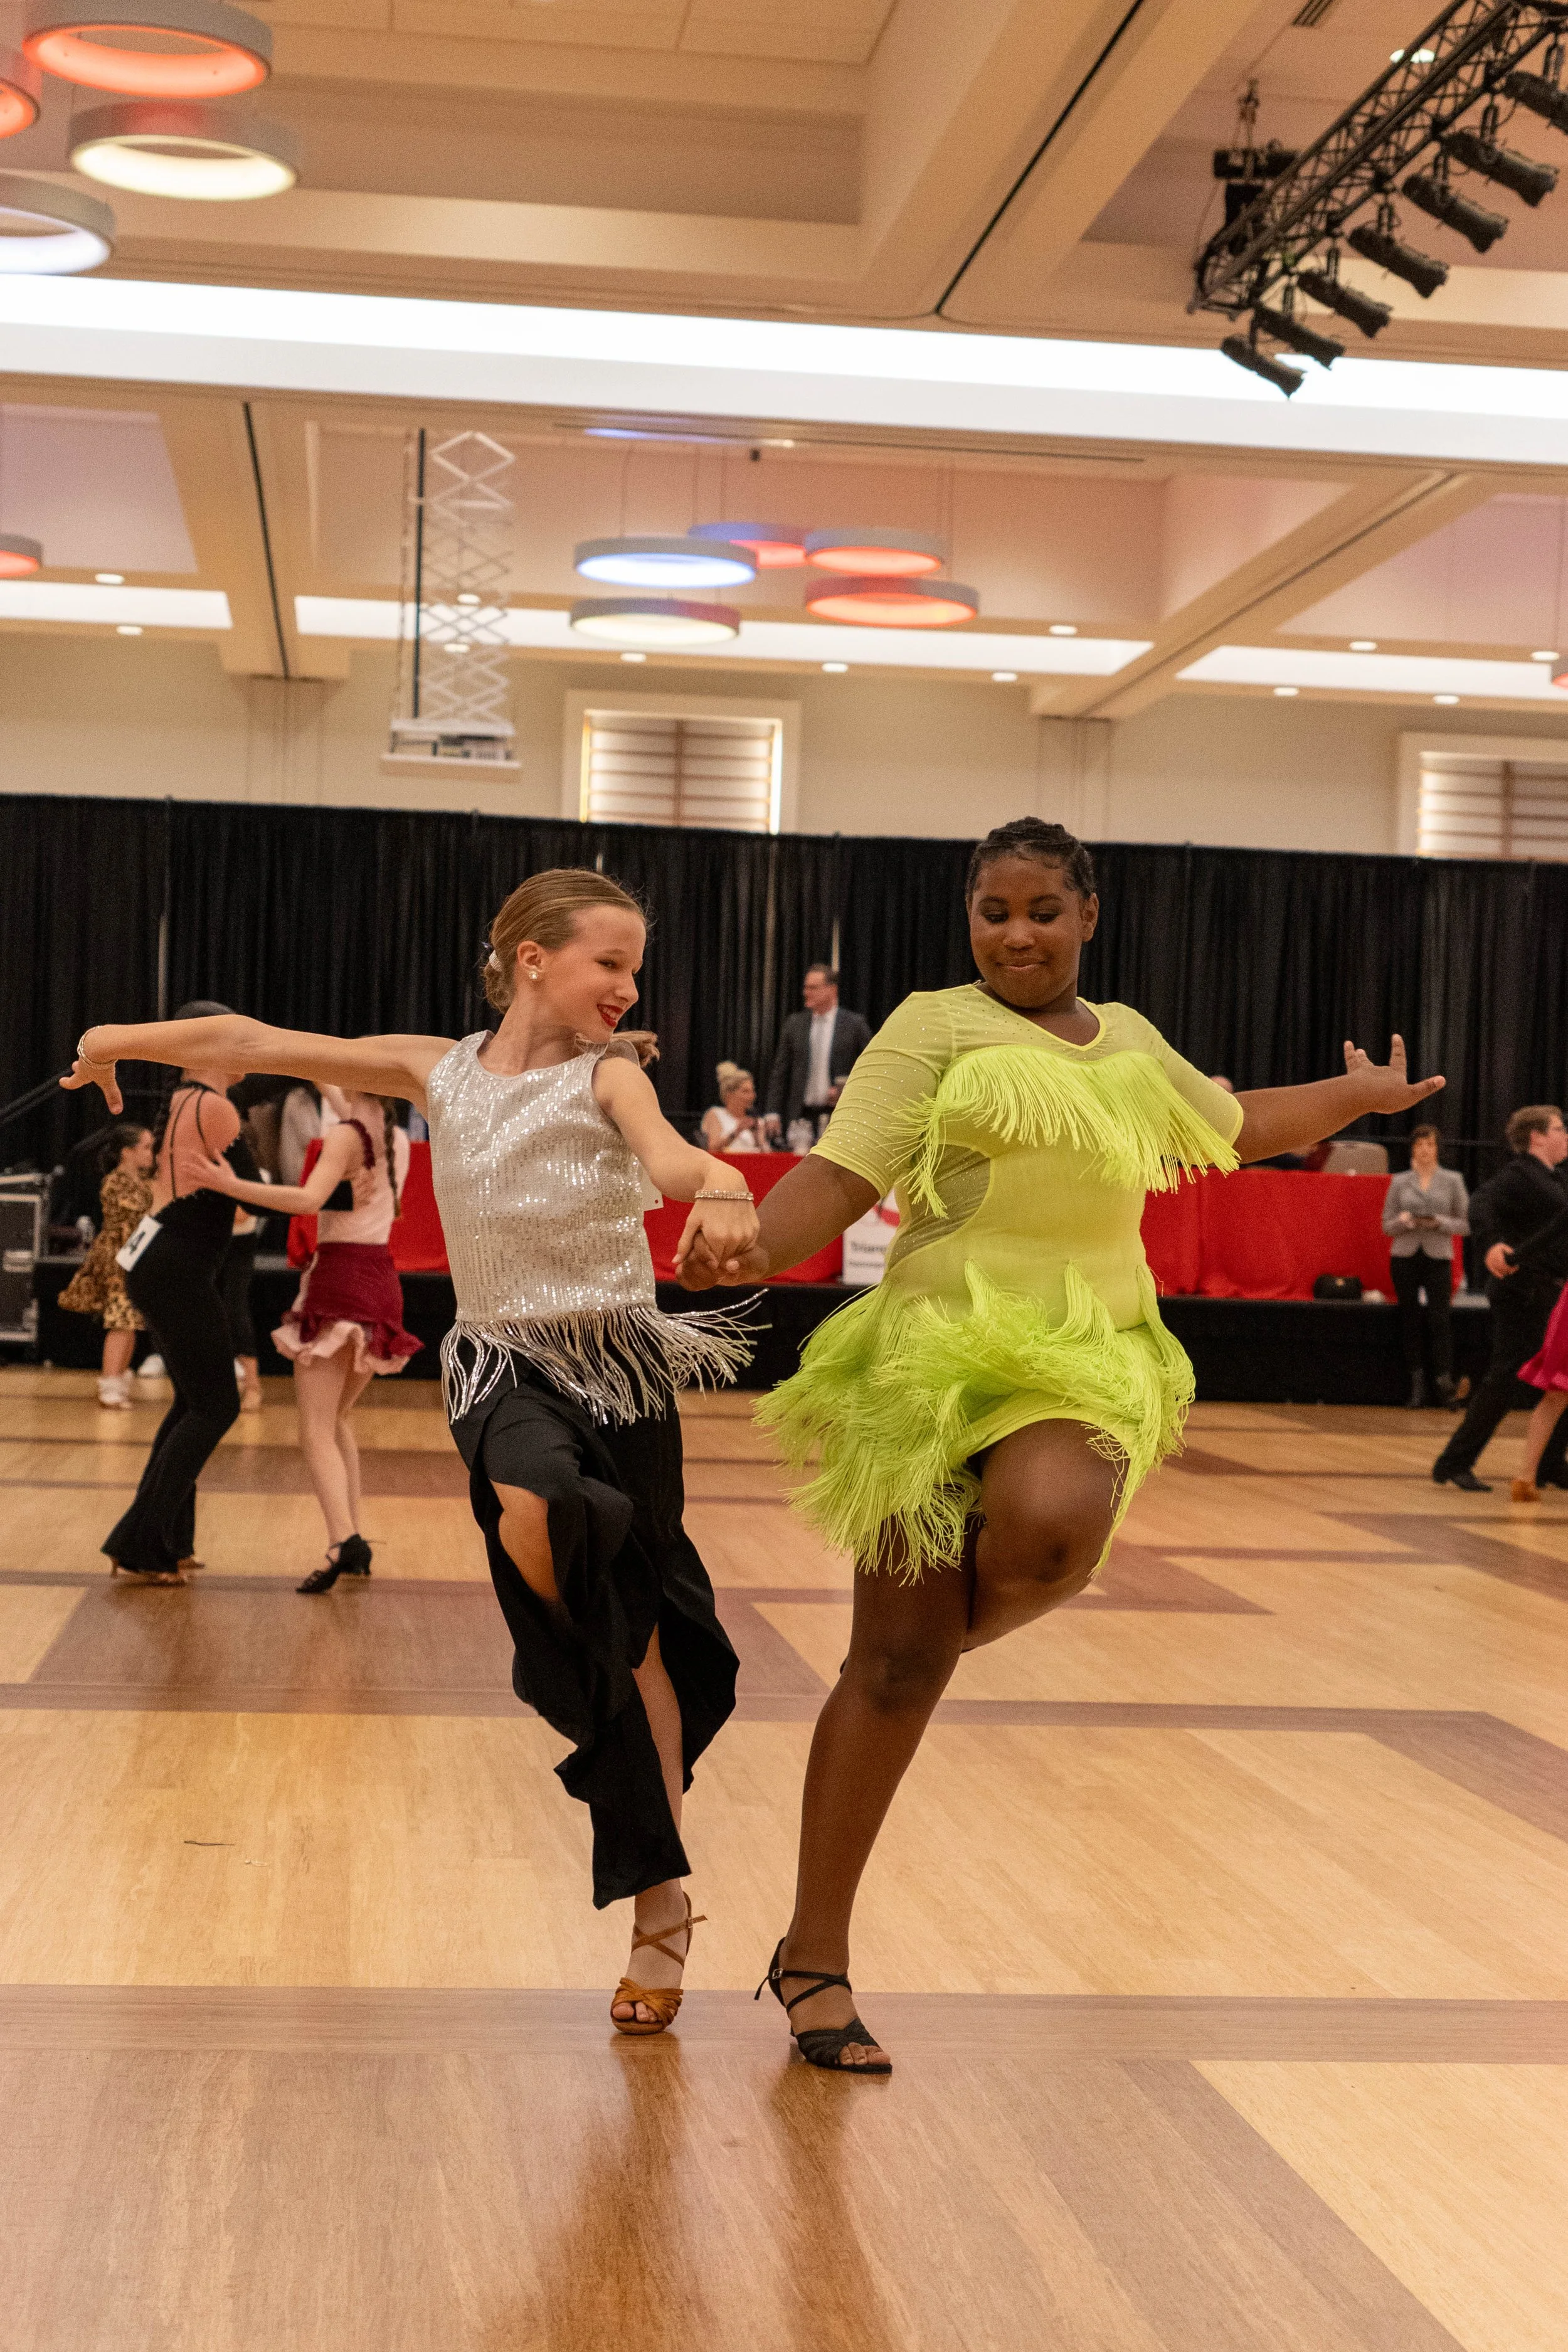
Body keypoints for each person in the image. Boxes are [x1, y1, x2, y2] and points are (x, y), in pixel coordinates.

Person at [682, 814, 1443, 2074]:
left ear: (1088, 915)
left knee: (1048, 1532)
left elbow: (1231, 1124)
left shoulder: (1130, 1038)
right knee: (892, 1671)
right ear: (969, 921)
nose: (1018, 934)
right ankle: (814, 1953)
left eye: (1043, 910)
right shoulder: (930, 1026)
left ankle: (903, 1661)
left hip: (1082, 1347)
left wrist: (1355, 1099)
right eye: (995, 912)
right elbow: (844, 1171)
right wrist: (750, 1244)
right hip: (926, 1358)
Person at [63, 868, 760, 2037]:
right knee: (540, 1502)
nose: (628, 989)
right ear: (532, 957)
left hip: (622, 1372)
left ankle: (660, 1899)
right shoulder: (439, 1069)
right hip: (505, 1367)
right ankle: (600, 1700)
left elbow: (673, 1156)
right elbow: (252, 1040)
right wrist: (111, 1040)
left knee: (635, 1637)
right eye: (610, 963)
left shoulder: (611, 1074)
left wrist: (725, 1179)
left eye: (635, 968)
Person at [195, 1086, 420, 1591]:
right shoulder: (395, 1137)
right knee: (338, 1419)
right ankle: (353, 1536)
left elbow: (307, 1200)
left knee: (316, 1428)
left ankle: (342, 1542)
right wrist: (321, 1078)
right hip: (381, 1280)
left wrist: (228, 1184)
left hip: (340, 1278)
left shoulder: (345, 1136)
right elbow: (352, 1109)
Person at [83, 1002, 262, 1584]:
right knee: (216, 1407)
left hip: (163, 1262)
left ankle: (168, 1543)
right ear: (208, 1047)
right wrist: (337, 1196)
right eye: (234, 1038)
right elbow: (253, 1195)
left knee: (193, 1403)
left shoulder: (186, 1101)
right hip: (175, 1268)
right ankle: (140, 1542)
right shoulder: (213, 1106)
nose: (246, 1048)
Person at [1431, 1104, 1568, 1493]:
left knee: (1561, 1383)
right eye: (1559, 1129)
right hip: (1523, 1292)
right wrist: (1492, 1243)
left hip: (1552, 1293)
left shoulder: (1555, 1178)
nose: (1566, 1136)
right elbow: (1480, 1204)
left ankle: (1549, 1464)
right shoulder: (1518, 1175)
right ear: (1536, 1137)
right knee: (1505, 1379)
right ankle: (1454, 1462)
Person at [58, 1121, 153, 1408]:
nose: (152, 1153)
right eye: (147, 1147)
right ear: (127, 1152)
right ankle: (110, 1384)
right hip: (118, 1258)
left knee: (132, 1320)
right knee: (122, 1320)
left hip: (138, 1256)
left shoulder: (145, 1179)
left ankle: (119, 1379)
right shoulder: (115, 1182)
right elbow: (138, 1212)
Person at [1382, 1124, 1470, 1409]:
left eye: (1430, 1145)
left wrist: (1439, 1222)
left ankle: (1444, 1385)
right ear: (1412, 1149)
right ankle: (1416, 1386)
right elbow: (1386, 1226)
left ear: (1437, 1149)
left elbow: (1466, 1224)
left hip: (1438, 1255)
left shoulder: (1453, 1180)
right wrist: (1404, 1222)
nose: (1424, 1150)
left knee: (1439, 1319)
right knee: (1410, 1319)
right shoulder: (1400, 1181)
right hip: (1405, 1255)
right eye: (1419, 1145)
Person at [765, 965, 871, 1145]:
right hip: (801, 1115)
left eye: (813, 988)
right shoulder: (795, 1024)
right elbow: (780, 1072)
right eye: (806, 987)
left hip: (839, 1114)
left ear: (832, 990)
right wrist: (772, 1112)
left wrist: (846, 1088)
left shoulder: (854, 1025)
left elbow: (869, 1068)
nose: (806, 993)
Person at [700, 1061, 766, 1155]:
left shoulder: (757, 1121)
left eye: (752, 1091)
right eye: (745, 1092)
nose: (752, 1096)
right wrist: (737, 1131)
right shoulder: (716, 1114)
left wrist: (758, 1139)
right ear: (729, 1095)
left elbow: (767, 1155)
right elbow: (712, 1148)